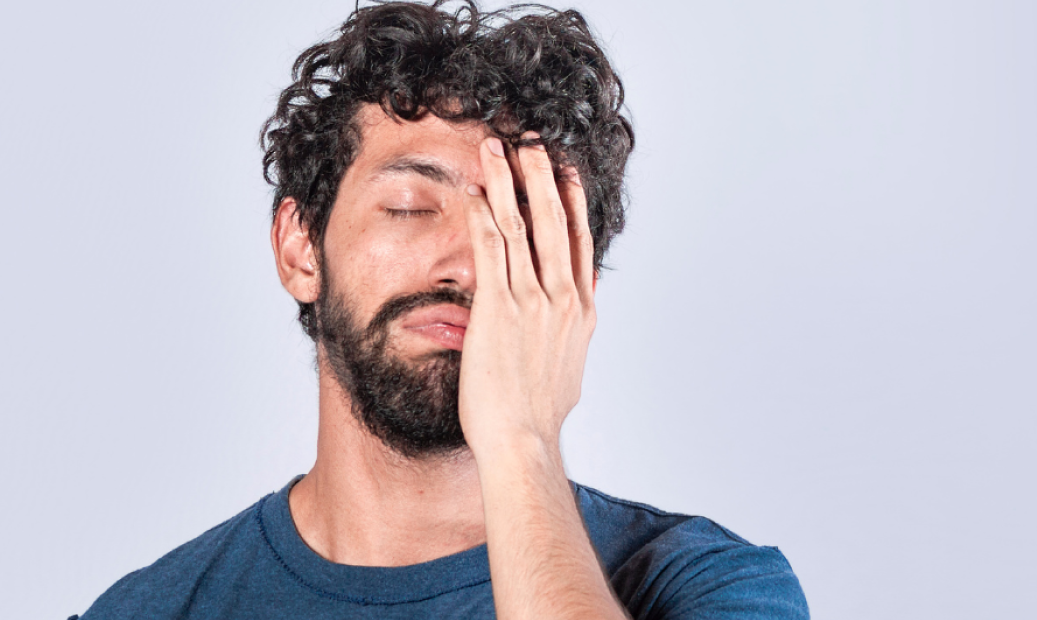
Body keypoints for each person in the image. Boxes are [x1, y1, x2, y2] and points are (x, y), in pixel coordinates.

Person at [75, 1, 808, 618]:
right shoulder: (145, 611)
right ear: (301, 250)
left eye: (519, 226)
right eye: (409, 206)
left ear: (575, 284)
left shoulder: (712, 585)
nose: (469, 264)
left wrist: (520, 441)